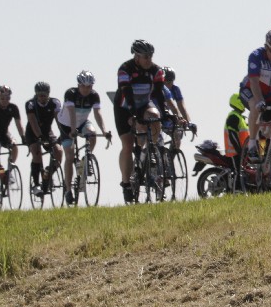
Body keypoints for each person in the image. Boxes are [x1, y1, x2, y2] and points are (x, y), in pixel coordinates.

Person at [115, 41, 171, 203]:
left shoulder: (156, 70)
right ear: (137, 57)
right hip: (125, 107)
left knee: (155, 117)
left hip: (144, 104)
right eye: (146, 57)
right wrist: (134, 115)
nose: (149, 60)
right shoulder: (125, 69)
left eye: (151, 56)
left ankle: (149, 151)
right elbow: (126, 93)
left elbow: (159, 94)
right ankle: (126, 183)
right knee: (127, 144)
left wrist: (166, 113)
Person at [60, 69, 112, 205]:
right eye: (83, 86)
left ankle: (86, 159)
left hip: (82, 122)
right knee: (69, 156)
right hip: (66, 125)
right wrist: (72, 130)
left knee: (92, 134)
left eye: (89, 86)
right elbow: (71, 113)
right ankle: (68, 190)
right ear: (78, 85)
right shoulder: (70, 94)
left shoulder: (94, 96)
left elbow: (97, 114)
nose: (86, 89)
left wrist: (104, 131)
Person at [241, 28, 271, 163]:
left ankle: (270, 163)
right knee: (255, 107)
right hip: (251, 91)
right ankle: (252, 144)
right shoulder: (256, 56)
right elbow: (254, 82)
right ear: (266, 47)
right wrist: (259, 101)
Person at [24, 82, 62, 194]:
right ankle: (36, 185)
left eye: (44, 95)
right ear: (36, 94)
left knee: (59, 151)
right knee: (37, 154)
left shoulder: (55, 103)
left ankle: (47, 174)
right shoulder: (31, 104)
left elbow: (59, 120)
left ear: (48, 94)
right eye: (40, 95)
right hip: (32, 132)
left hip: (47, 131)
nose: (42, 98)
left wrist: (63, 133)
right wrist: (40, 137)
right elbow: (33, 121)